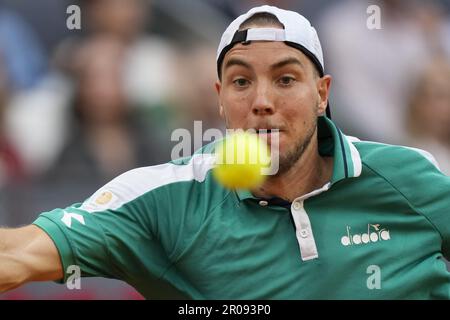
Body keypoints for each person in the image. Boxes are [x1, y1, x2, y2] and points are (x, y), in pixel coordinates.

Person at [0, 5, 449, 299]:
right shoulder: (164, 201)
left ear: (322, 93)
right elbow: (17, 255)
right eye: (240, 81)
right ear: (219, 98)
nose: (261, 100)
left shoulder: (407, 177)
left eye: (286, 79)